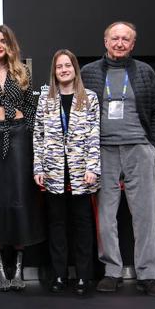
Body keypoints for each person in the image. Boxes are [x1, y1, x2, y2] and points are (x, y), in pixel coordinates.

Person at [81, 21, 155, 298]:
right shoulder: (89, 72)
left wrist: (152, 144)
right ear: (105, 42)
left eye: (126, 39)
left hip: (138, 149)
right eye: (115, 38)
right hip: (103, 150)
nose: (120, 43)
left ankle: (148, 275)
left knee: (144, 215)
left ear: (132, 44)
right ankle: (112, 271)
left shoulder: (145, 72)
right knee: (106, 216)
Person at [0, 24, 45, 291]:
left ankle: (18, 269)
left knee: (19, 196)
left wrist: (24, 127)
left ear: (10, 44)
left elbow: (31, 106)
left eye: (3, 40)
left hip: (18, 137)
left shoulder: (22, 72)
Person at [33, 49, 100, 296]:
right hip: (53, 173)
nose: (63, 70)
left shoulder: (89, 98)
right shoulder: (45, 99)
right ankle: (59, 275)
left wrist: (93, 168)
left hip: (82, 172)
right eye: (59, 66)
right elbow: (38, 136)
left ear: (75, 69)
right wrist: (38, 167)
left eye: (67, 66)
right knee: (57, 226)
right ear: (54, 71)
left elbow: (94, 135)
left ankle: (84, 276)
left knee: (82, 226)